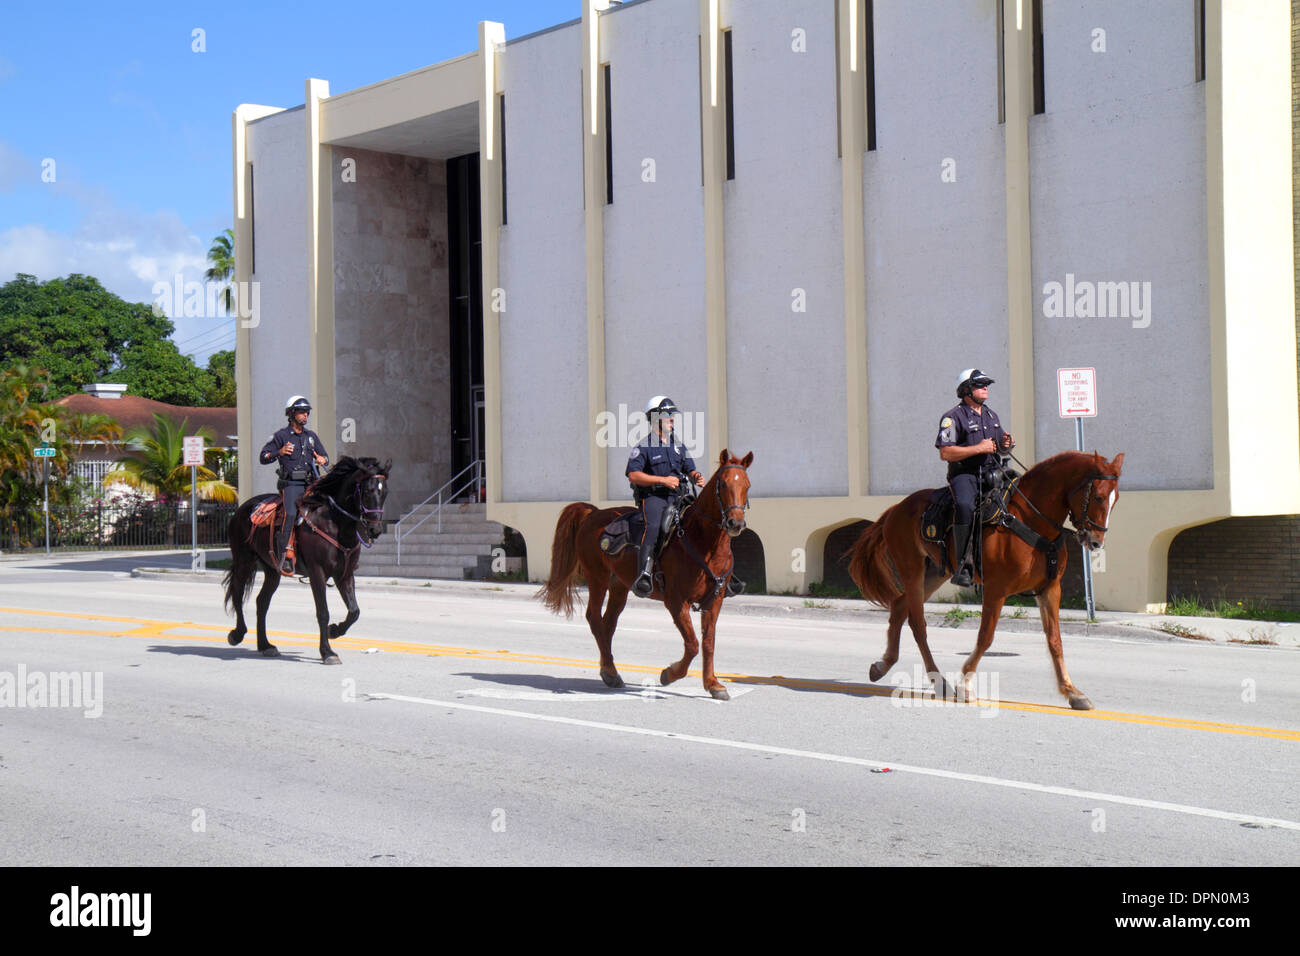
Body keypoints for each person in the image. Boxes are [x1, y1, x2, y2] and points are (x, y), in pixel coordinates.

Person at [935, 369, 1014, 587]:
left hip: (992, 472)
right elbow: (946, 453)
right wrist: (978, 448)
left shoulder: (991, 416)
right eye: (980, 385)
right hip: (965, 475)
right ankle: (964, 565)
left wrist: (1006, 445)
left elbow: (999, 447)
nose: (986, 388)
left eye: (986, 384)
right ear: (966, 390)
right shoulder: (952, 417)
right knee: (965, 506)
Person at [625, 396, 704, 598]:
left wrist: (696, 477)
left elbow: (691, 469)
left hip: (679, 497)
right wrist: (662, 480)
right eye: (668, 415)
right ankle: (644, 574)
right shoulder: (644, 446)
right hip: (655, 498)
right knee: (654, 527)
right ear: (655, 418)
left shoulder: (679, 446)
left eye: (672, 415)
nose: (672, 419)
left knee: (702, 521)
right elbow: (633, 474)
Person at [259, 395, 329, 574]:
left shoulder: (311, 437)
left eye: (307, 412)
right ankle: (285, 554)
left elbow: (325, 457)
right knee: (291, 513)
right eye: (301, 412)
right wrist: (279, 451)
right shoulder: (280, 436)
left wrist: (323, 459)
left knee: (329, 507)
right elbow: (263, 457)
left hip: (312, 483)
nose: (305, 415)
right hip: (291, 484)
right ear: (291, 414)